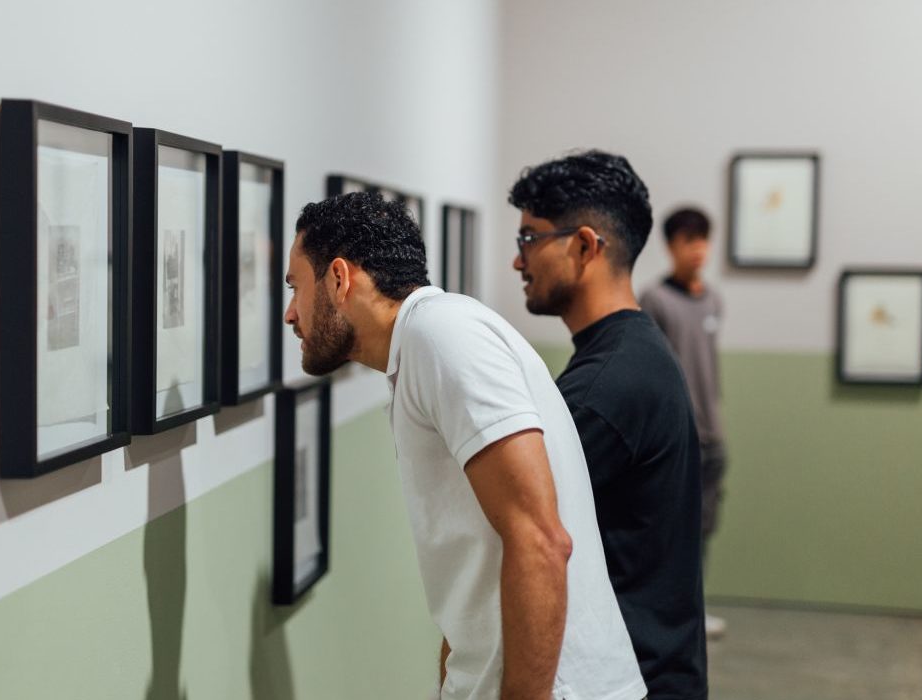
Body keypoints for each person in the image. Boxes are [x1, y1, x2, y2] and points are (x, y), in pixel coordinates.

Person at [285, 192, 645, 700]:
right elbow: (473, 567)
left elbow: (541, 539)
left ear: (339, 279)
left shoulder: (442, 335)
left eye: (296, 287)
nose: (288, 314)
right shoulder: (420, 345)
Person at [508, 151, 708, 700]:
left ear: (583, 246)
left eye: (530, 238)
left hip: (634, 680)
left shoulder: (606, 387)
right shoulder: (632, 354)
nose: (517, 261)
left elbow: (518, 534)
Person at [638, 207, 727, 640]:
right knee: (672, 524)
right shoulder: (655, 300)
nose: (698, 250)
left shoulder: (713, 300)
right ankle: (669, 610)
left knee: (705, 524)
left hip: (714, 433)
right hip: (678, 434)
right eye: (689, 241)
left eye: (703, 240)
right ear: (671, 246)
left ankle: (696, 606)